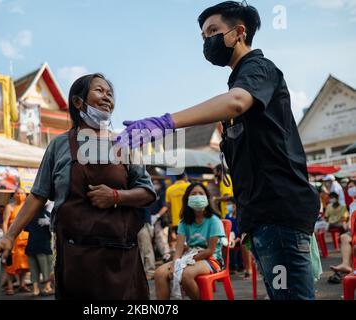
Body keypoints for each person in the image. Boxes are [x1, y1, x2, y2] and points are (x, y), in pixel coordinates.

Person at [119, 1, 320, 299]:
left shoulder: (258, 69)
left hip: (280, 216)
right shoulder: (239, 79)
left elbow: (237, 100)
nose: (207, 41)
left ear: (239, 32)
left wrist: (166, 122)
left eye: (213, 31)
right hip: (264, 220)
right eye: (203, 36)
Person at [0, 73, 156, 300]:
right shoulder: (59, 145)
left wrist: (116, 196)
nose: (107, 97)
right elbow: (38, 195)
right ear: (78, 102)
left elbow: (148, 193)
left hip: (121, 259)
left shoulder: (124, 144)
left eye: (110, 93)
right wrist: (10, 235)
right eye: (100, 91)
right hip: (75, 259)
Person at [154, 183, 225, 300]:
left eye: (201, 193)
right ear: (187, 199)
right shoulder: (184, 222)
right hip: (189, 257)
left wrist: (184, 263)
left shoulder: (214, 221)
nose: (197, 196)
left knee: (186, 275)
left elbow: (210, 251)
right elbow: (179, 248)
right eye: (193, 194)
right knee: (159, 273)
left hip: (211, 259)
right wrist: (175, 263)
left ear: (207, 198)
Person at [2, 188, 30, 295]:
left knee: (24, 263)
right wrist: (6, 236)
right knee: (10, 263)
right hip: (13, 238)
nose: (20, 195)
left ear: (26, 195)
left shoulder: (27, 207)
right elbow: (5, 223)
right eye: (17, 193)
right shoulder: (10, 207)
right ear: (14, 195)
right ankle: (10, 286)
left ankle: (22, 284)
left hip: (25, 238)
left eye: (22, 193)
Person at [25, 203, 53, 297]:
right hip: (43, 246)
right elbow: (53, 228)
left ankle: (35, 290)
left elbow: (26, 228)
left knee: (33, 269)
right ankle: (47, 287)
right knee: (47, 268)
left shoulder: (29, 215)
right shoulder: (47, 214)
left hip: (31, 245)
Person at [330, 181, 356, 279]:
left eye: (352, 186)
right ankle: (345, 264)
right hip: (353, 231)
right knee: (344, 237)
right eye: (348, 187)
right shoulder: (352, 204)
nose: (350, 189)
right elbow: (351, 220)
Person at [165, 174, 190, 250]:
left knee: (181, 244)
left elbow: (168, 207)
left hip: (176, 222)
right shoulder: (189, 186)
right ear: (185, 177)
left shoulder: (169, 189)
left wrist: (170, 221)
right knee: (190, 243)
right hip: (189, 219)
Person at [150, 179, 171, 263]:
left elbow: (165, 206)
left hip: (161, 220)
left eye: (157, 183)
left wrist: (157, 216)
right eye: (154, 183)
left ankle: (166, 256)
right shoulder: (151, 192)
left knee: (162, 238)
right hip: (150, 219)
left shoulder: (163, 192)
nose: (155, 185)